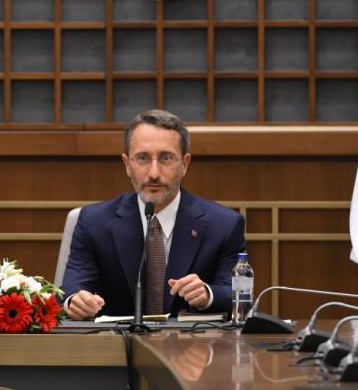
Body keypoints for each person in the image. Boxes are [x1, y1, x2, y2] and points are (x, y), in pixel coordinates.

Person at [62, 109, 245, 320]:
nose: (154, 174)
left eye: (166, 158)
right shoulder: (94, 221)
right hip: (115, 339)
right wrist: (76, 302)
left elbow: (237, 294)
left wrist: (208, 294)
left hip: (191, 340)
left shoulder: (224, 225)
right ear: (127, 165)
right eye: (142, 158)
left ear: (184, 165)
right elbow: (71, 290)